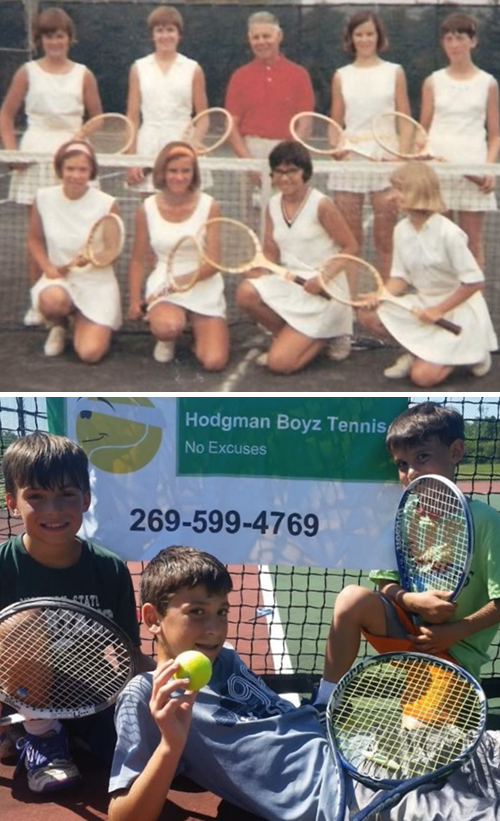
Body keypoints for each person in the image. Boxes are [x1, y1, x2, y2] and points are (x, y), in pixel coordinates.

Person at [108, 544, 500, 821]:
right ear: (152, 618)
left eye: (222, 611)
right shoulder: (145, 696)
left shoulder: (223, 659)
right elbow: (124, 816)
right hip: (347, 796)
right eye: (196, 612)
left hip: (372, 749)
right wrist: (171, 746)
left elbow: (276, 724)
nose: (215, 629)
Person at [0, 432, 153, 794]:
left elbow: (131, 656)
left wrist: (177, 683)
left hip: (93, 694)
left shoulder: (111, 570)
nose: (53, 509)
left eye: (66, 494)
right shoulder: (4, 566)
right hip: (21, 696)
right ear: (12, 503)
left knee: (163, 762)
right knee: (21, 621)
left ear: (85, 499)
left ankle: (71, 735)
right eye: (36, 496)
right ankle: (40, 737)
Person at [318, 401, 500, 706]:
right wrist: (410, 600)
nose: (411, 472)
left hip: (453, 653)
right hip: (406, 632)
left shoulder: (485, 521)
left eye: (422, 457)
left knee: (417, 734)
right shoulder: (403, 514)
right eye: (402, 464)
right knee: (351, 598)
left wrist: (454, 631)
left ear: (455, 452)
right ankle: (325, 702)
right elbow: (384, 583)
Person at [0, 6, 102, 326]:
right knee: (39, 234)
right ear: (39, 39)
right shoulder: (27, 72)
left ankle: (82, 299)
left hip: (73, 153)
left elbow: (97, 118)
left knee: (79, 230)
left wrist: (81, 137)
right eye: (48, 36)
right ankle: (38, 301)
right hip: (36, 153)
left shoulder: (83, 73)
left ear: (69, 39)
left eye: (60, 36)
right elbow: (5, 114)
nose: (55, 42)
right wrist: (13, 152)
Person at [358, 162, 497, 385]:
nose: (392, 195)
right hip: (423, 305)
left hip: (456, 309)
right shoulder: (401, 230)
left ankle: (474, 353)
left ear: (418, 191)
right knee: (367, 314)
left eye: (399, 189)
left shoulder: (449, 234)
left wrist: (439, 310)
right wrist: (380, 296)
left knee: (422, 378)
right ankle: (418, 351)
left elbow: (474, 282)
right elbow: (400, 278)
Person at [236, 140, 357, 373]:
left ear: (305, 173)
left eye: (292, 171)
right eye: (279, 172)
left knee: (279, 364)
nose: (285, 178)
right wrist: (258, 270)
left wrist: (324, 278)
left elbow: (350, 247)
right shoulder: (272, 204)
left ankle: (329, 335)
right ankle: (290, 338)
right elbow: (270, 252)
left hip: (325, 290)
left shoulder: (321, 204)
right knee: (246, 292)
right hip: (292, 282)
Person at [127, 141, 228, 370]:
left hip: (203, 281)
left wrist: (181, 281)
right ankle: (168, 336)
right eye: (173, 171)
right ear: (162, 172)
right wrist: (134, 301)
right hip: (165, 277)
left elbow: (214, 263)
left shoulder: (210, 206)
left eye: (186, 171)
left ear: (194, 174)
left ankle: (197, 331)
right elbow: (138, 259)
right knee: (168, 327)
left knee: (214, 361)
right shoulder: (146, 208)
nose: (179, 177)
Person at [328, 11, 411, 279]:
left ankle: (384, 301)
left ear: (378, 37)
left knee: (384, 239)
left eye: (369, 34)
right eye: (359, 34)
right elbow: (334, 122)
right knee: (350, 241)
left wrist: (401, 159)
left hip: (385, 159)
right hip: (352, 160)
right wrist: (335, 146)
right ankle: (351, 307)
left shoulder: (394, 72)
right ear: (351, 38)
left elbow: (405, 120)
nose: (364, 39)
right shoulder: (341, 75)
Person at [27, 140, 122, 362]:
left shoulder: (107, 203)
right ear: (60, 169)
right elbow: (34, 240)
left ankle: (83, 320)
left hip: (96, 282)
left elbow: (112, 251)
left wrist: (93, 259)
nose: (76, 175)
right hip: (59, 281)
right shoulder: (43, 198)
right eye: (70, 168)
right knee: (52, 301)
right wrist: (48, 268)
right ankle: (59, 324)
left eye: (82, 169)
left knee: (90, 353)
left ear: (91, 172)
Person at [420, 12, 500, 269]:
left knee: (472, 243)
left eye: (460, 38)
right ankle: (443, 305)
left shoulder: (488, 83)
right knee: (440, 241)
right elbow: (423, 128)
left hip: (474, 169)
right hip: (439, 172)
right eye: (449, 38)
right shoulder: (433, 82)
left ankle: (472, 304)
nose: (454, 44)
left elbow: (495, 133)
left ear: (473, 41)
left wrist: (488, 169)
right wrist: (420, 154)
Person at [125, 5, 208, 192]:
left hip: (183, 142)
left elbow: (203, 117)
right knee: (149, 207)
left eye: (170, 30)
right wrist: (131, 159)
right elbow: (132, 117)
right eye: (159, 30)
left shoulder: (193, 69)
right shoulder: (138, 68)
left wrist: (193, 143)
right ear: (152, 35)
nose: (165, 36)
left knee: (186, 205)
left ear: (179, 34)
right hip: (148, 144)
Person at [224, 12, 314, 162]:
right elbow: (231, 125)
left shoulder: (299, 75)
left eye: (266, 36)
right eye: (256, 37)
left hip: (287, 153)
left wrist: (287, 160)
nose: (261, 42)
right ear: (249, 39)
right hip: (249, 151)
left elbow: (305, 125)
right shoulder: (239, 76)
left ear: (278, 36)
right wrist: (248, 162)